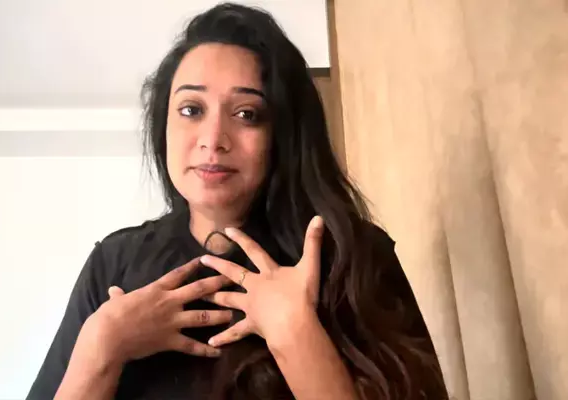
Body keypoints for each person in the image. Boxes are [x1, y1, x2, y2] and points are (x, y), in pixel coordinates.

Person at [28, 3, 448, 399]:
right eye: (191, 110)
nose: (213, 140)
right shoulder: (113, 264)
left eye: (247, 114)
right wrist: (102, 347)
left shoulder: (355, 254)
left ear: (283, 134)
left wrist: (295, 334)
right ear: (163, 126)